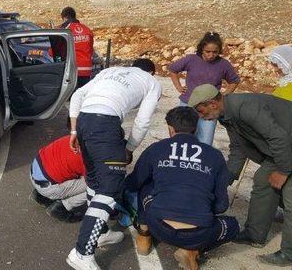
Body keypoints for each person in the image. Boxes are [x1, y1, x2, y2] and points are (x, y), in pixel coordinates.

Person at [66, 58, 162, 270]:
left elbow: (78, 94)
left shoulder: (110, 71)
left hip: (84, 121)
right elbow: (143, 120)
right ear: (151, 72)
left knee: (94, 181)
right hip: (105, 124)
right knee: (109, 190)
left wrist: (74, 130)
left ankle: (100, 234)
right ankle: (82, 252)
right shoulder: (151, 82)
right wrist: (129, 148)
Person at [189, 84, 292, 266]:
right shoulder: (225, 115)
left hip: (285, 144)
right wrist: (223, 181)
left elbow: (278, 137)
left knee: (290, 197)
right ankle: (254, 235)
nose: (200, 115)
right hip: (282, 148)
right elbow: (238, 149)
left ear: (212, 103)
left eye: (200, 110)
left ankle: (289, 253)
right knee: (262, 181)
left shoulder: (244, 107)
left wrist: (283, 171)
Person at [126, 106, 239, 270]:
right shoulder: (214, 156)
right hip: (199, 233)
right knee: (233, 226)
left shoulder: (157, 149)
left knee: (146, 183)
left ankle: (144, 236)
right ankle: (191, 250)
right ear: (196, 128)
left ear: (170, 129)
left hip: (158, 226)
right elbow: (222, 206)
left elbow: (134, 182)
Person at [168, 32, 240, 146]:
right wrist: (179, 87)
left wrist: (223, 95)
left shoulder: (223, 64)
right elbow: (173, 70)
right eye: (208, 51)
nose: (211, 55)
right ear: (201, 49)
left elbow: (234, 81)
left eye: (215, 52)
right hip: (188, 104)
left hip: (210, 108)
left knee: (205, 140)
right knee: (181, 137)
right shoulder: (191, 59)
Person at [30, 119, 89, 223]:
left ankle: (40, 196)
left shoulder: (74, 138)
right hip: (48, 186)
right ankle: (60, 208)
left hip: (34, 172)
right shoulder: (88, 154)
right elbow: (93, 182)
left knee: (66, 168)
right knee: (96, 187)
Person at [59, 7, 94, 89]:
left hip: (72, 69)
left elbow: (54, 51)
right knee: (82, 95)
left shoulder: (65, 30)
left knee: (71, 97)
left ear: (65, 18)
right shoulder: (87, 29)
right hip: (87, 69)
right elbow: (91, 49)